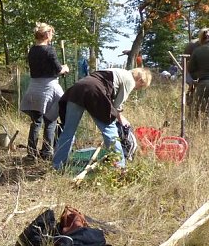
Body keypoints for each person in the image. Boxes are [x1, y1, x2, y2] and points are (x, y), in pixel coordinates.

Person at [53, 68, 152, 170]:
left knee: (68, 131)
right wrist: (121, 119)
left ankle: (58, 166)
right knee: (110, 130)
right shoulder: (130, 80)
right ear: (140, 80)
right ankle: (120, 167)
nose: (136, 89)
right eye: (140, 87)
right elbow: (116, 106)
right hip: (94, 91)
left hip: (77, 88)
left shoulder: (118, 70)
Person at [19, 22, 68, 161]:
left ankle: (31, 154)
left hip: (34, 88)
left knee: (36, 122)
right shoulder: (49, 50)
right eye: (51, 33)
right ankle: (47, 153)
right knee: (51, 120)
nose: (52, 35)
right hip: (49, 89)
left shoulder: (32, 50)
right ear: (47, 34)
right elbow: (58, 70)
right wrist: (65, 68)